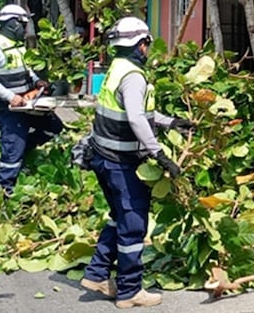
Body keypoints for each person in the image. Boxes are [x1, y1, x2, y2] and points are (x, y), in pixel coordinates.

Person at [80, 17, 194, 309]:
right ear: (141, 45)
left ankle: (96, 273)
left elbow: (135, 112)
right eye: (146, 45)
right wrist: (159, 154)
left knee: (118, 216)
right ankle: (129, 291)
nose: (147, 50)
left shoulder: (116, 68)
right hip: (121, 163)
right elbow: (135, 118)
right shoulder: (134, 76)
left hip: (102, 157)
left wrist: (170, 122)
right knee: (133, 224)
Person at [0, 3, 65, 196]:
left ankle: (23, 152)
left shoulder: (18, 47)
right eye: (23, 25)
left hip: (27, 104)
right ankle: (6, 190)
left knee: (54, 127)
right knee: (13, 147)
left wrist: (38, 82)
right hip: (9, 108)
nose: (25, 29)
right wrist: (10, 96)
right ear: (13, 24)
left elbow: (28, 70)